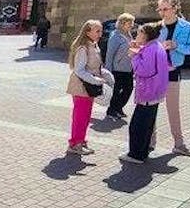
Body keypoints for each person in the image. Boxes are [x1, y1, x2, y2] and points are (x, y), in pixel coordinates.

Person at [153, 0, 190, 156]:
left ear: (175, 8)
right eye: (160, 9)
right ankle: (150, 141)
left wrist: (176, 45)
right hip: (156, 71)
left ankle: (179, 144)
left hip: (173, 72)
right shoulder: (157, 27)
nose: (162, 12)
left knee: (173, 109)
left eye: (165, 9)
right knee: (152, 107)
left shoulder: (186, 27)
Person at [120, 22, 169, 164]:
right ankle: (142, 151)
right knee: (147, 124)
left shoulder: (150, 48)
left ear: (146, 35)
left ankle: (136, 155)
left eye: (139, 33)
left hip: (148, 92)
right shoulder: (155, 46)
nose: (136, 35)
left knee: (137, 126)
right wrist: (138, 50)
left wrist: (133, 56)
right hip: (155, 93)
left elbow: (144, 70)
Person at [65, 20, 113, 155]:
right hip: (81, 86)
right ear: (87, 32)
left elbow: (95, 67)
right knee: (80, 116)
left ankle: (81, 141)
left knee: (85, 116)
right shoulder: (83, 48)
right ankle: (75, 144)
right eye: (97, 31)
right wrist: (95, 80)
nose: (100, 33)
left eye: (101, 30)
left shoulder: (94, 45)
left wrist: (105, 74)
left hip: (89, 87)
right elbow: (79, 70)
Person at [104, 13, 136, 119]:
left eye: (132, 22)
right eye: (130, 22)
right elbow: (110, 54)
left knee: (129, 89)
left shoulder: (128, 34)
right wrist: (108, 70)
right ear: (123, 23)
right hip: (117, 69)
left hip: (128, 68)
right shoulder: (115, 36)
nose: (132, 25)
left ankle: (118, 108)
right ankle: (112, 110)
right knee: (116, 91)